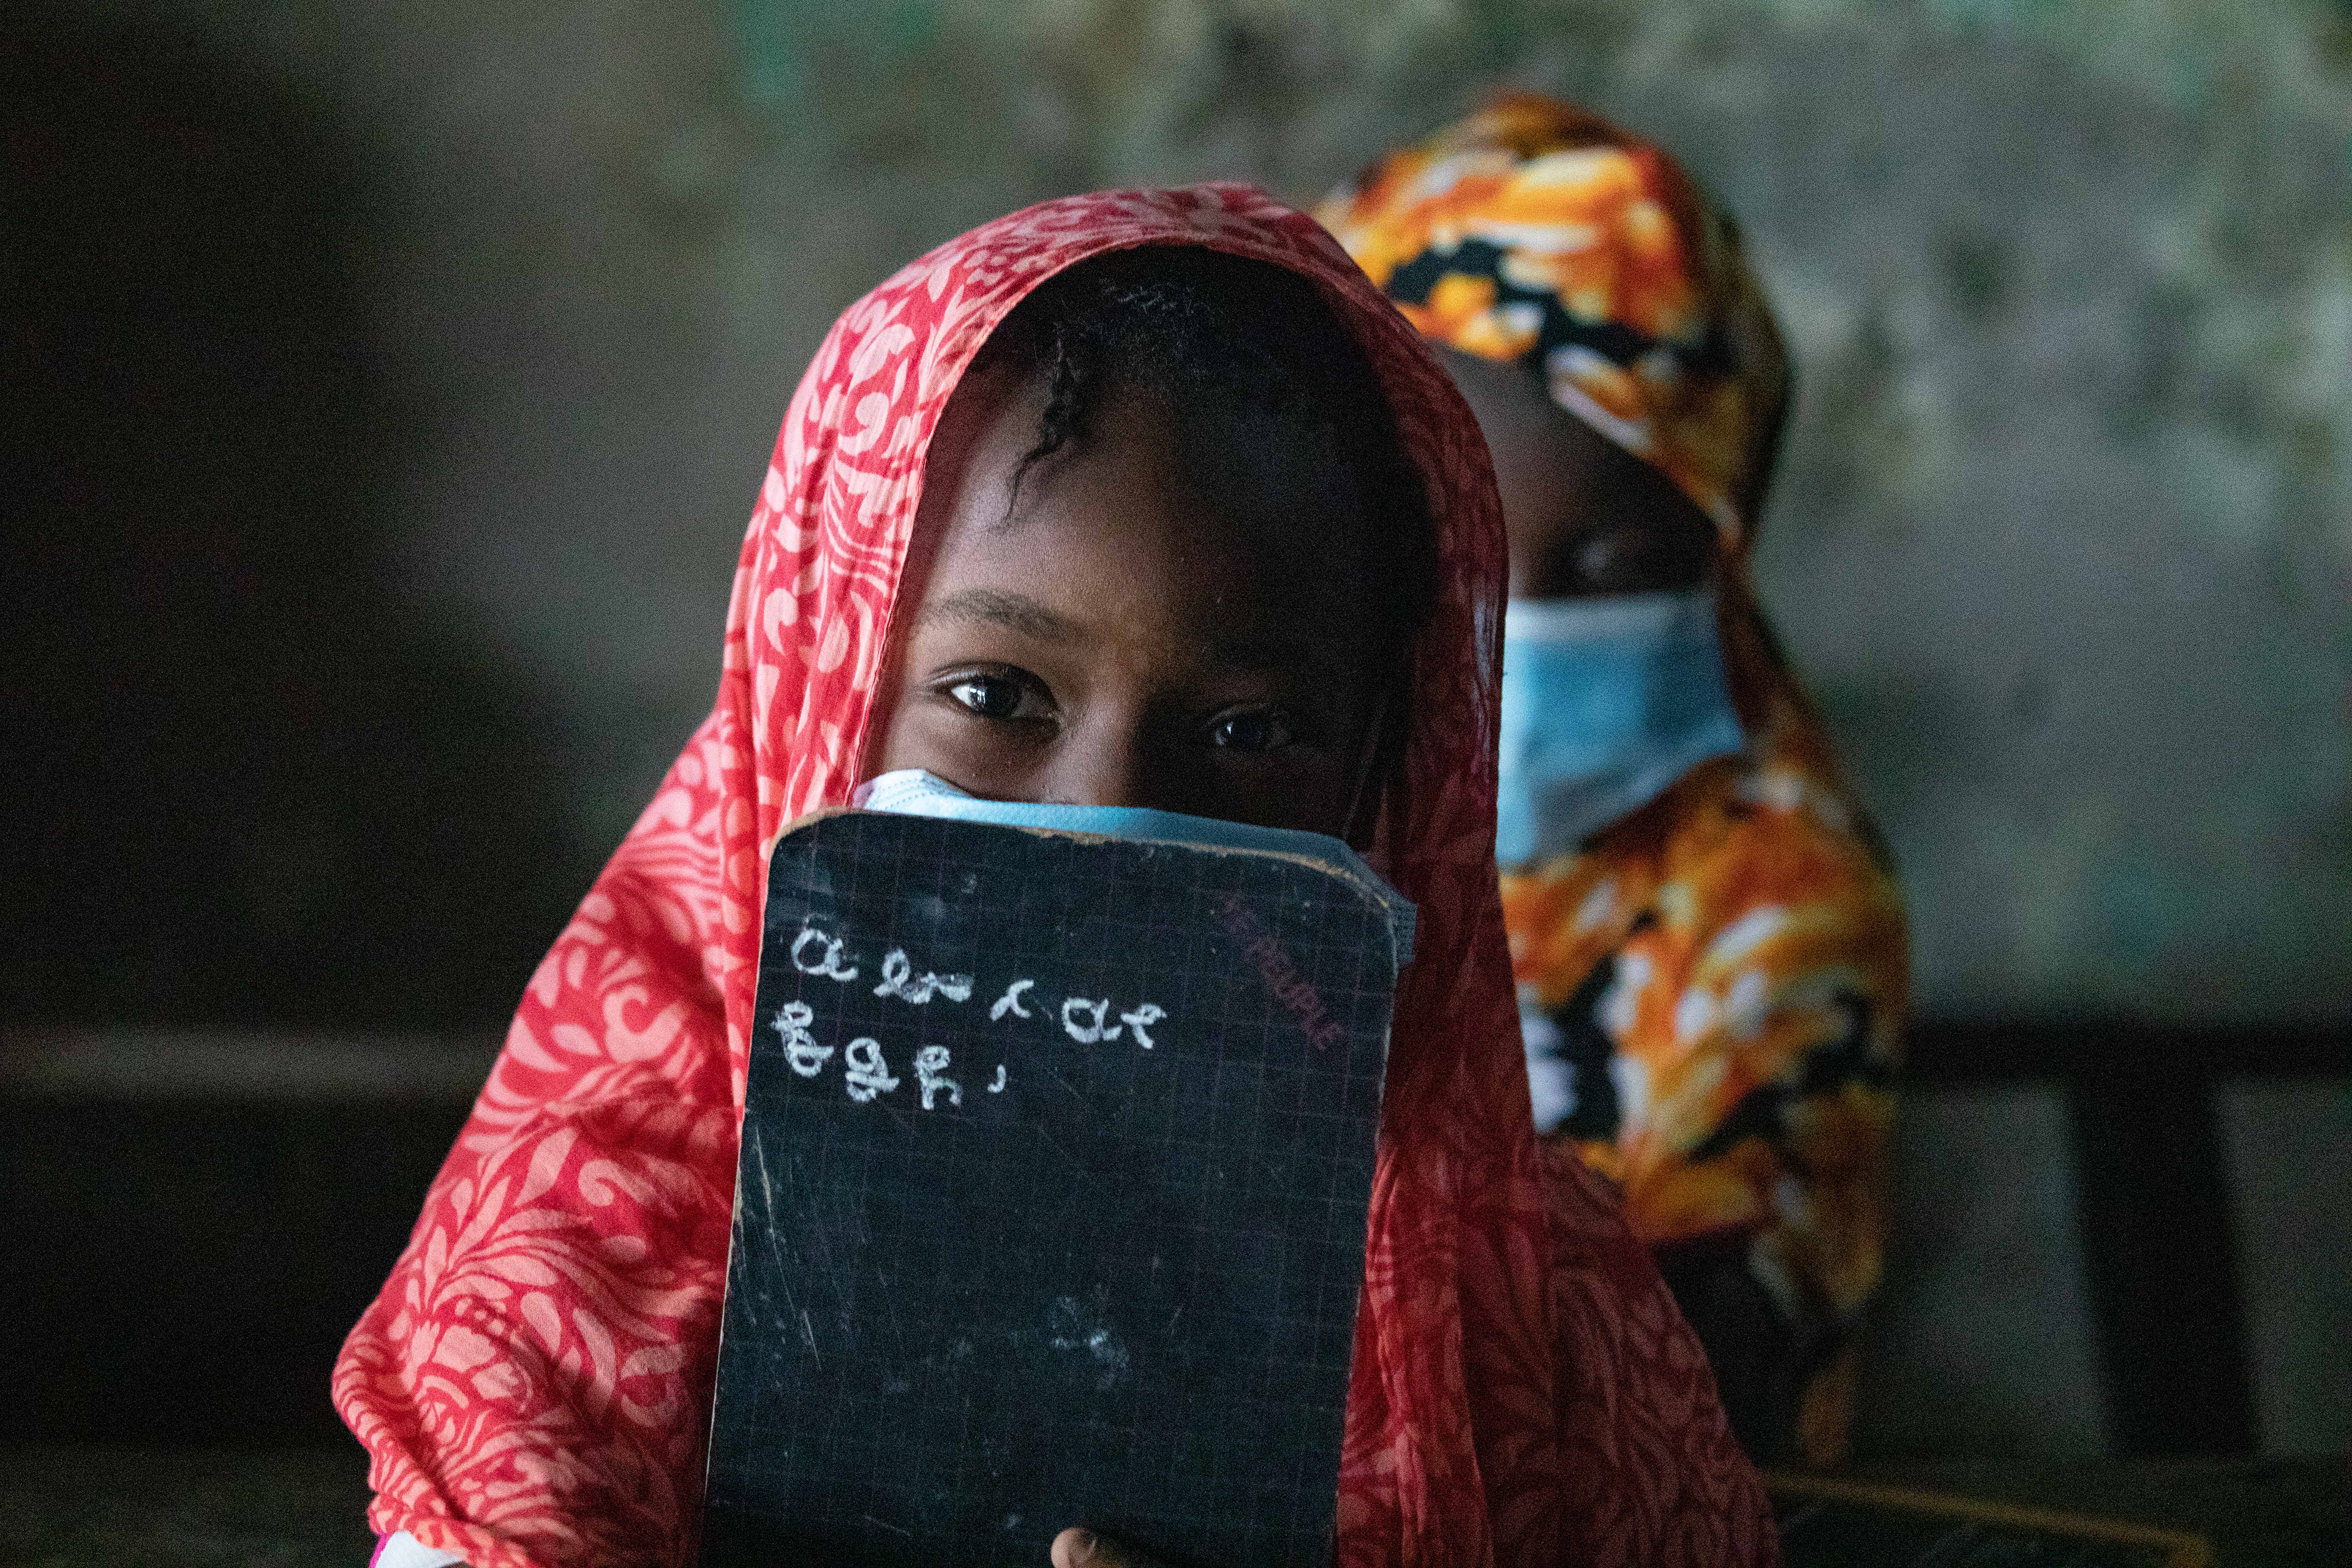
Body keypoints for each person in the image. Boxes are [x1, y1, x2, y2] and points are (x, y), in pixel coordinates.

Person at [336, 187, 1777, 1568]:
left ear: (1384, 770)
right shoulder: (582, 1269)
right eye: (997, 692)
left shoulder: (1534, 1323)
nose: (1108, 816)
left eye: (1249, 729)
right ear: (824, 686)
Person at [1319, 96, 1909, 1467]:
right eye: (1457, 556)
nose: (1515, 633)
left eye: (1617, 568)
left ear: (1724, 552)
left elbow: (1719, 1355)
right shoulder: (1255, 798)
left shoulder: (1779, 891)